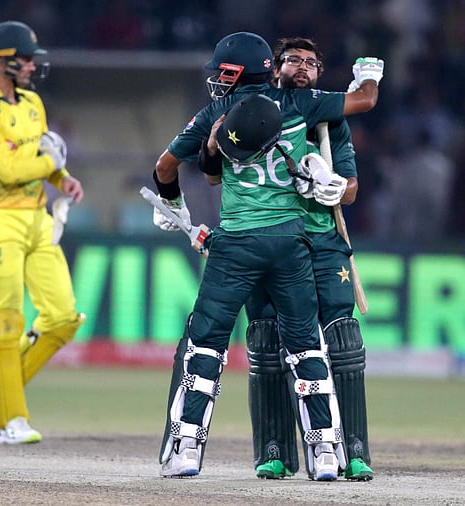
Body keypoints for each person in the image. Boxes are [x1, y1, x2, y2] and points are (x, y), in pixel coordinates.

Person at [155, 31, 376, 481]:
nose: (216, 79)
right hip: (291, 242)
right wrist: (370, 74)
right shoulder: (302, 103)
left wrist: (175, 206)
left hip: (236, 244)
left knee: (206, 344)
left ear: (235, 72)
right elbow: (363, 101)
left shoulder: (215, 112)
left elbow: (165, 168)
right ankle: (325, 456)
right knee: (305, 345)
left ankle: (186, 453)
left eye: (222, 72)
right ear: (271, 67)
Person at [239, 37, 380, 481]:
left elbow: (352, 187)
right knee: (266, 341)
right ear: (274, 66)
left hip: (321, 241)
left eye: (312, 63)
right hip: (268, 241)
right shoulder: (256, 110)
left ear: (320, 73)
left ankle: (352, 449)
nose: (303, 67)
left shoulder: (329, 118)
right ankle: (276, 448)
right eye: (293, 60)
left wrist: (337, 187)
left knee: (342, 342)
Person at [0, 21, 85, 445]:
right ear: (2, 60)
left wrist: (62, 177)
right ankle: (9, 420)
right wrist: (50, 161)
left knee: (64, 318)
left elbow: (38, 158)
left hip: (38, 219)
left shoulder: (32, 102)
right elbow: (11, 169)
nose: (33, 65)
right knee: (7, 319)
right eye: (26, 58)